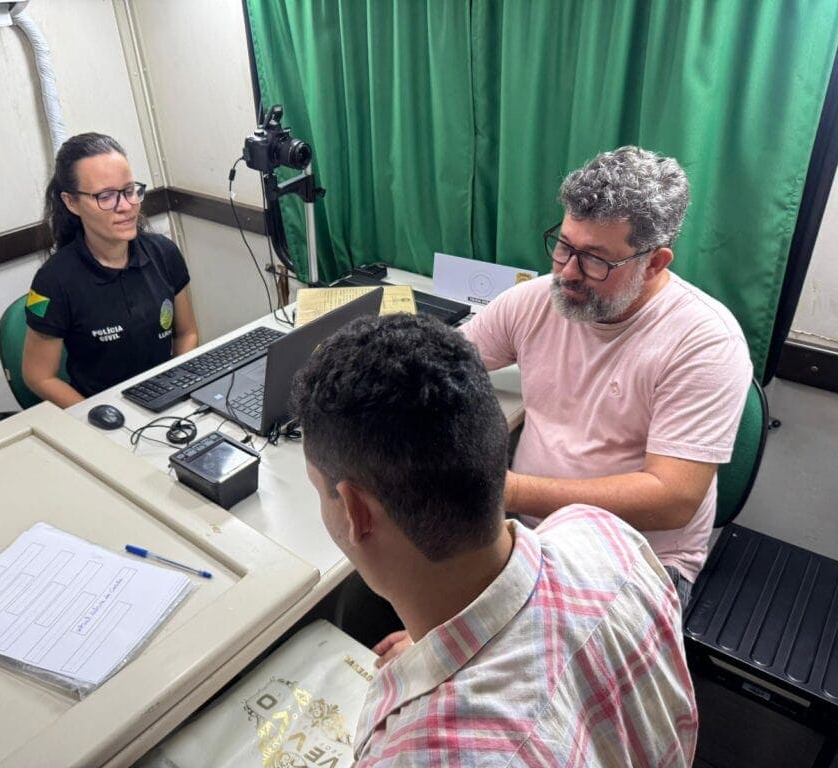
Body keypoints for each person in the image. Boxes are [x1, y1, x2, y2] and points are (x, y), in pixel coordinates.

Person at [290, 313, 698, 766]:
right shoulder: (602, 534)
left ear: (355, 512)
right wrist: (439, 646)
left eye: (316, 490)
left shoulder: (419, 754)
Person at [462, 146, 752, 604]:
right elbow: (448, 360)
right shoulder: (538, 299)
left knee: (509, 661)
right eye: (564, 246)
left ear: (654, 263)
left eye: (596, 259)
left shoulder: (705, 341)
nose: (568, 273)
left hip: (634, 558)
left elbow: (672, 498)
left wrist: (508, 490)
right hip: (531, 535)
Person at [23, 133, 199, 408]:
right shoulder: (53, 281)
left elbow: (186, 333)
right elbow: (38, 375)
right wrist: (96, 416)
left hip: (168, 400)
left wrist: (177, 385)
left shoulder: (164, 252)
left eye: (129, 191)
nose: (126, 207)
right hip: (103, 412)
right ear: (71, 203)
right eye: (106, 196)